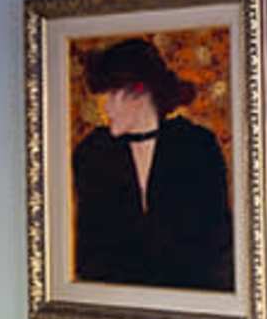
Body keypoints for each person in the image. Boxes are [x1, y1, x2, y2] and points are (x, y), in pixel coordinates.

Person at [69, 35, 232, 292]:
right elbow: (88, 253)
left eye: (113, 95)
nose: (105, 109)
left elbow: (218, 245)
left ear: (139, 92)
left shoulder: (197, 147)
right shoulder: (93, 153)